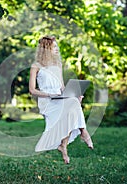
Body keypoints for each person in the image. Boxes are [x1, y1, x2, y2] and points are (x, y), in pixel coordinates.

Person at [29, 36, 93, 164]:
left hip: (60, 97)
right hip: (47, 100)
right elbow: (32, 90)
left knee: (74, 102)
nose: (57, 49)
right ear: (46, 49)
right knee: (72, 106)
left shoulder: (58, 64)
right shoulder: (36, 66)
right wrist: (49, 95)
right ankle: (83, 132)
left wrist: (74, 94)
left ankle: (63, 145)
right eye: (54, 47)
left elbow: (62, 87)